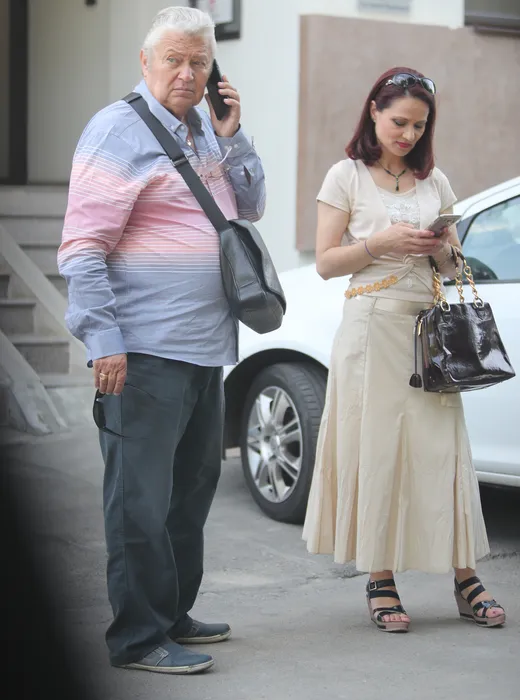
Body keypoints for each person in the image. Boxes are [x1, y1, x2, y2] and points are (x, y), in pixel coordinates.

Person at [58, 6, 265, 674]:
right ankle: (138, 637)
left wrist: (234, 137)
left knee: (188, 496)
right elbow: (82, 247)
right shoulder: (116, 130)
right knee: (139, 503)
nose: (187, 73)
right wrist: (103, 338)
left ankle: (171, 613)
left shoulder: (206, 129)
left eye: (199, 62)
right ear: (145, 62)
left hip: (206, 346)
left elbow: (251, 206)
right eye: (173, 59)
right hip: (142, 350)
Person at [302, 67, 505, 632]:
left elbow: (455, 267)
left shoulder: (434, 180)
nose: (408, 134)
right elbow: (325, 263)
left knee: (444, 451)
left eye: (419, 126)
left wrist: (439, 248)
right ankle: (380, 577)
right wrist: (380, 242)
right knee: (380, 452)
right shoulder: (345, 175)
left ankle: (465, 576)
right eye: (399, 122)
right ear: (373, 111)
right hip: (370, 330)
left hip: (428, 335)